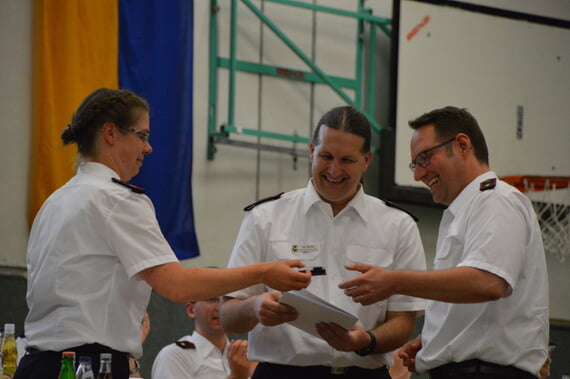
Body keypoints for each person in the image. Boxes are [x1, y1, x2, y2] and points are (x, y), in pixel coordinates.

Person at [14, 88, 310, 379]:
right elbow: (177, 286)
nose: (148, 148)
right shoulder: (118, 200)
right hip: (89, 364)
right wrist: (263, 272)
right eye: (141, 135)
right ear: (110, 133)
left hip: (36, 363)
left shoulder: (55, 201)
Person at [340, 106, 549, 378]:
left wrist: (393, 282)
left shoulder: (496, 200)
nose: (418, 175)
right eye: (415, 164)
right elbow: (478, 301)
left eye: (425, 158)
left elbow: (488, 282)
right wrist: (437, 342)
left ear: (462, 145)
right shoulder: (464, 211)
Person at [219, 105, 427, 379]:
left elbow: (403, 321)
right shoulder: (265, 218)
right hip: (282, 373)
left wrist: (368, 341)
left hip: (363, 372)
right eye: (326, 156)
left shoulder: (398, 225)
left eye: (347, 161)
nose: (334, 170)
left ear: (366, 160)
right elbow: (227, 314)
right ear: (311, 152)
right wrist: (254, 308)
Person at [151, 298, 257, 378]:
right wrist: (236, 376)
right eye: (212, 300)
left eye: (227, 300)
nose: (221, 307)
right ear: (191, 310)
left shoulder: (246, 356)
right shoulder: (175, 355)